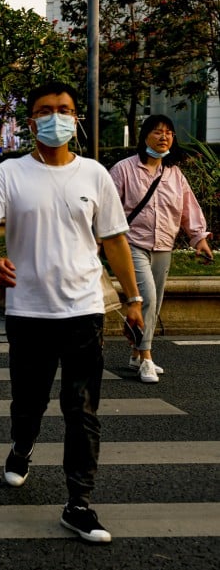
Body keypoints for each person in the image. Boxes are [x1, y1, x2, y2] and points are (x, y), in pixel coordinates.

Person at [0, 81, 145, 544]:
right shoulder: (9, 174)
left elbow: (113, 240)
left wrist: (133, 300)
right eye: (45, 110)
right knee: (29, 400)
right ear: (31, 122)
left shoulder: (94, 174)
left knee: (81, 408)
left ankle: (79, 503)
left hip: (84, 309)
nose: (56, 117)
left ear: (76, 118)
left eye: (64, 109)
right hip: (28, 309)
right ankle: (22, 444)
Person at [109, 114, 213, 383]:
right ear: (145, 136)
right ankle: (146, 358)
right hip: (132, 244)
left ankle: (135, 351)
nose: (164, 136)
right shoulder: (123, 169)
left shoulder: (174, 174)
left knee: (153, 306)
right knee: (148, 298)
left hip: (163, 246)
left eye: (168, 132)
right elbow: (107, 208)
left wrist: (198, 239)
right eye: (157, 132)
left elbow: (188, 208)